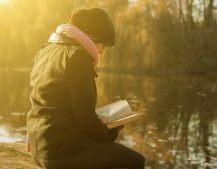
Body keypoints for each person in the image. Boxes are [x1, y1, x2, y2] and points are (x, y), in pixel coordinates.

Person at [27, 8, 145, 169]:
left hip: (39, 147)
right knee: (136, 160)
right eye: (104, 44)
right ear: (94, 36)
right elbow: (84, 118)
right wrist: (111, 129)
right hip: (62, 152)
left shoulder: (46, 49)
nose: (102, 51)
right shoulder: (78, 57)